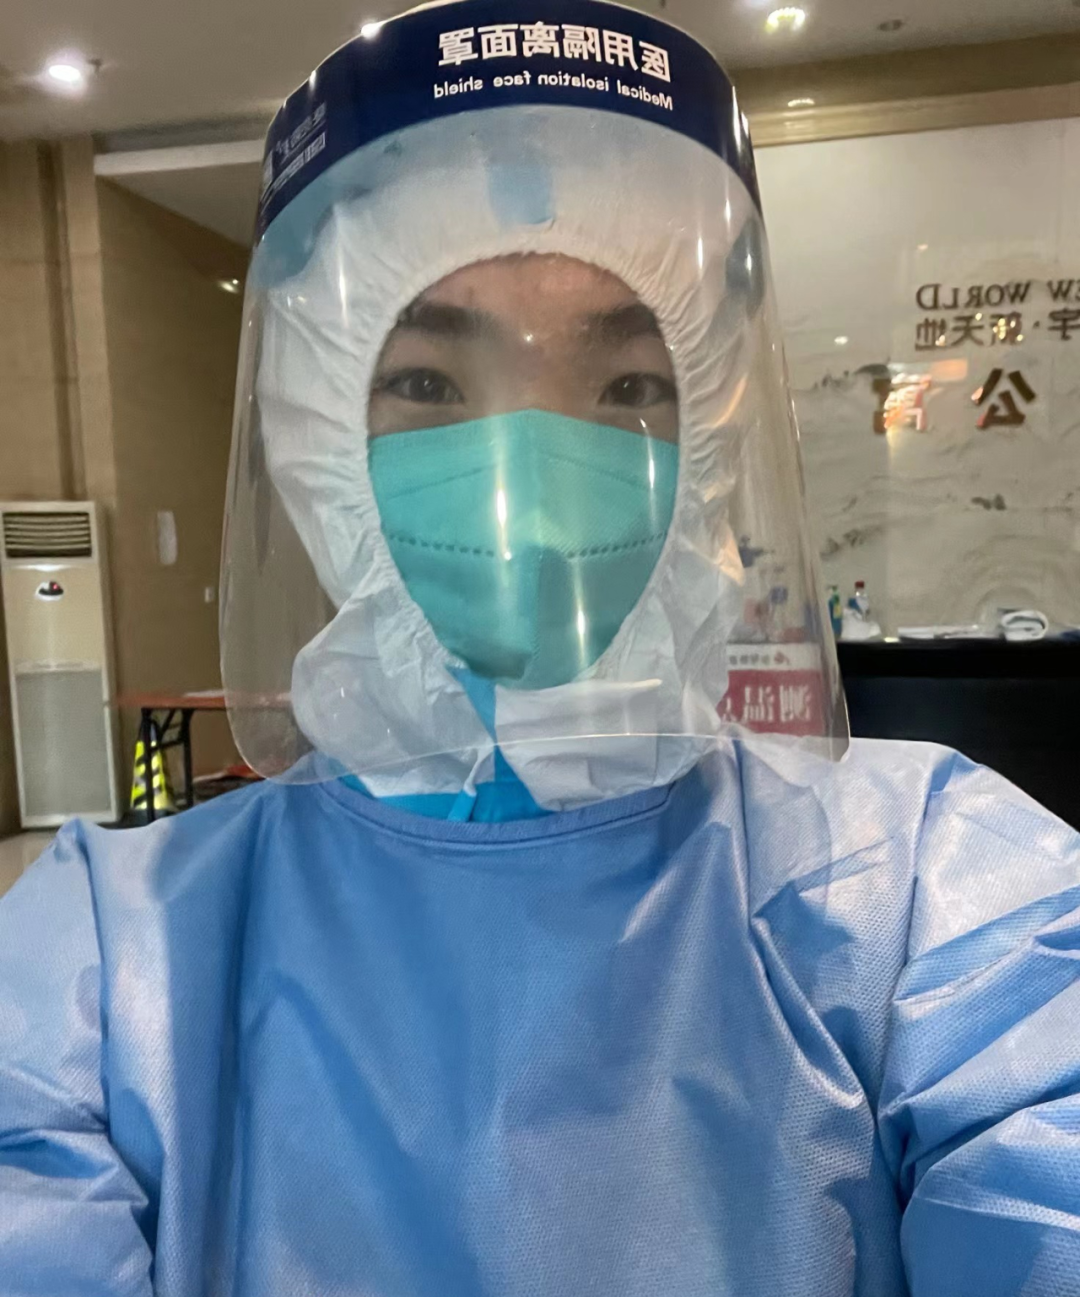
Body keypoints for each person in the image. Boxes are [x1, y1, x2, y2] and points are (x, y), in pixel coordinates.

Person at [2, 3, 1079, 1294]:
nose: (531, 483)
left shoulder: (930, 884)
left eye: (629, 388)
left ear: (716, 435)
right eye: (427, 384)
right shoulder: (110, 956)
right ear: (310, 432)